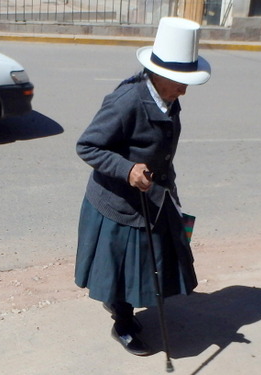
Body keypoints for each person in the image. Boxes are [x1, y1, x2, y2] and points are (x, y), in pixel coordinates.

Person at [74, 17, 211, 356]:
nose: (184, 89)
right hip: (120, 202)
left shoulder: (169, 97)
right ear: (159, 74)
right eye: (180, 81)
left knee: (152, 261)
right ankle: (122, 324)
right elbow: (88, 146)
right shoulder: (127, 100)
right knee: (123, 268)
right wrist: (127, 168)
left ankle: (120, 306)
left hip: (155, 196)